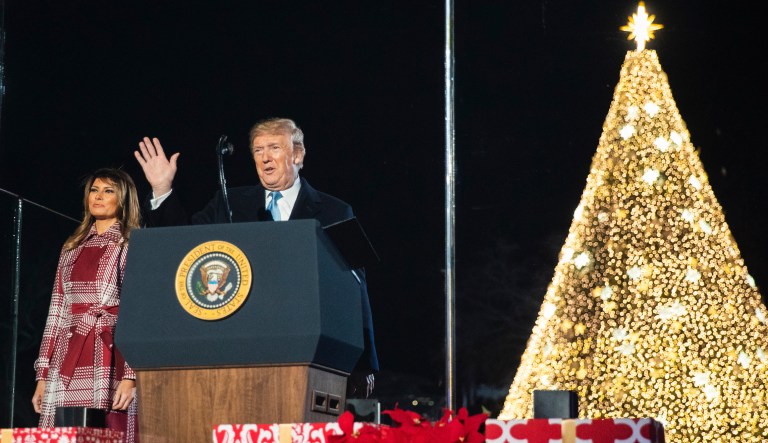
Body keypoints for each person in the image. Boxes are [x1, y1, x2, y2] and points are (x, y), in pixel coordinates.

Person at [134, 117, 378, 396]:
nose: (265, 158)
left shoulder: (334, 212)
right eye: (258, 150)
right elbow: (181, 246)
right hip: (239, 348)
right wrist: (162, 189)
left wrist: (363, 362)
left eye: (274, 148)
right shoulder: (229, 204)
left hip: (310, 352)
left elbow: (355, 287)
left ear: (297, 154)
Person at [31, 168, 141, 442]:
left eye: (108, 191)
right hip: (68, 354)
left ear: (123, 199)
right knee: (63, 434)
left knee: (108, 430)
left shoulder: (130, 243)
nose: (99, 197)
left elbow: (136, 311)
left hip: (109, 350)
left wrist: (131, 375)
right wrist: (42, 375)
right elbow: (56, 312)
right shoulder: (72, 246)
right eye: (94, 190)